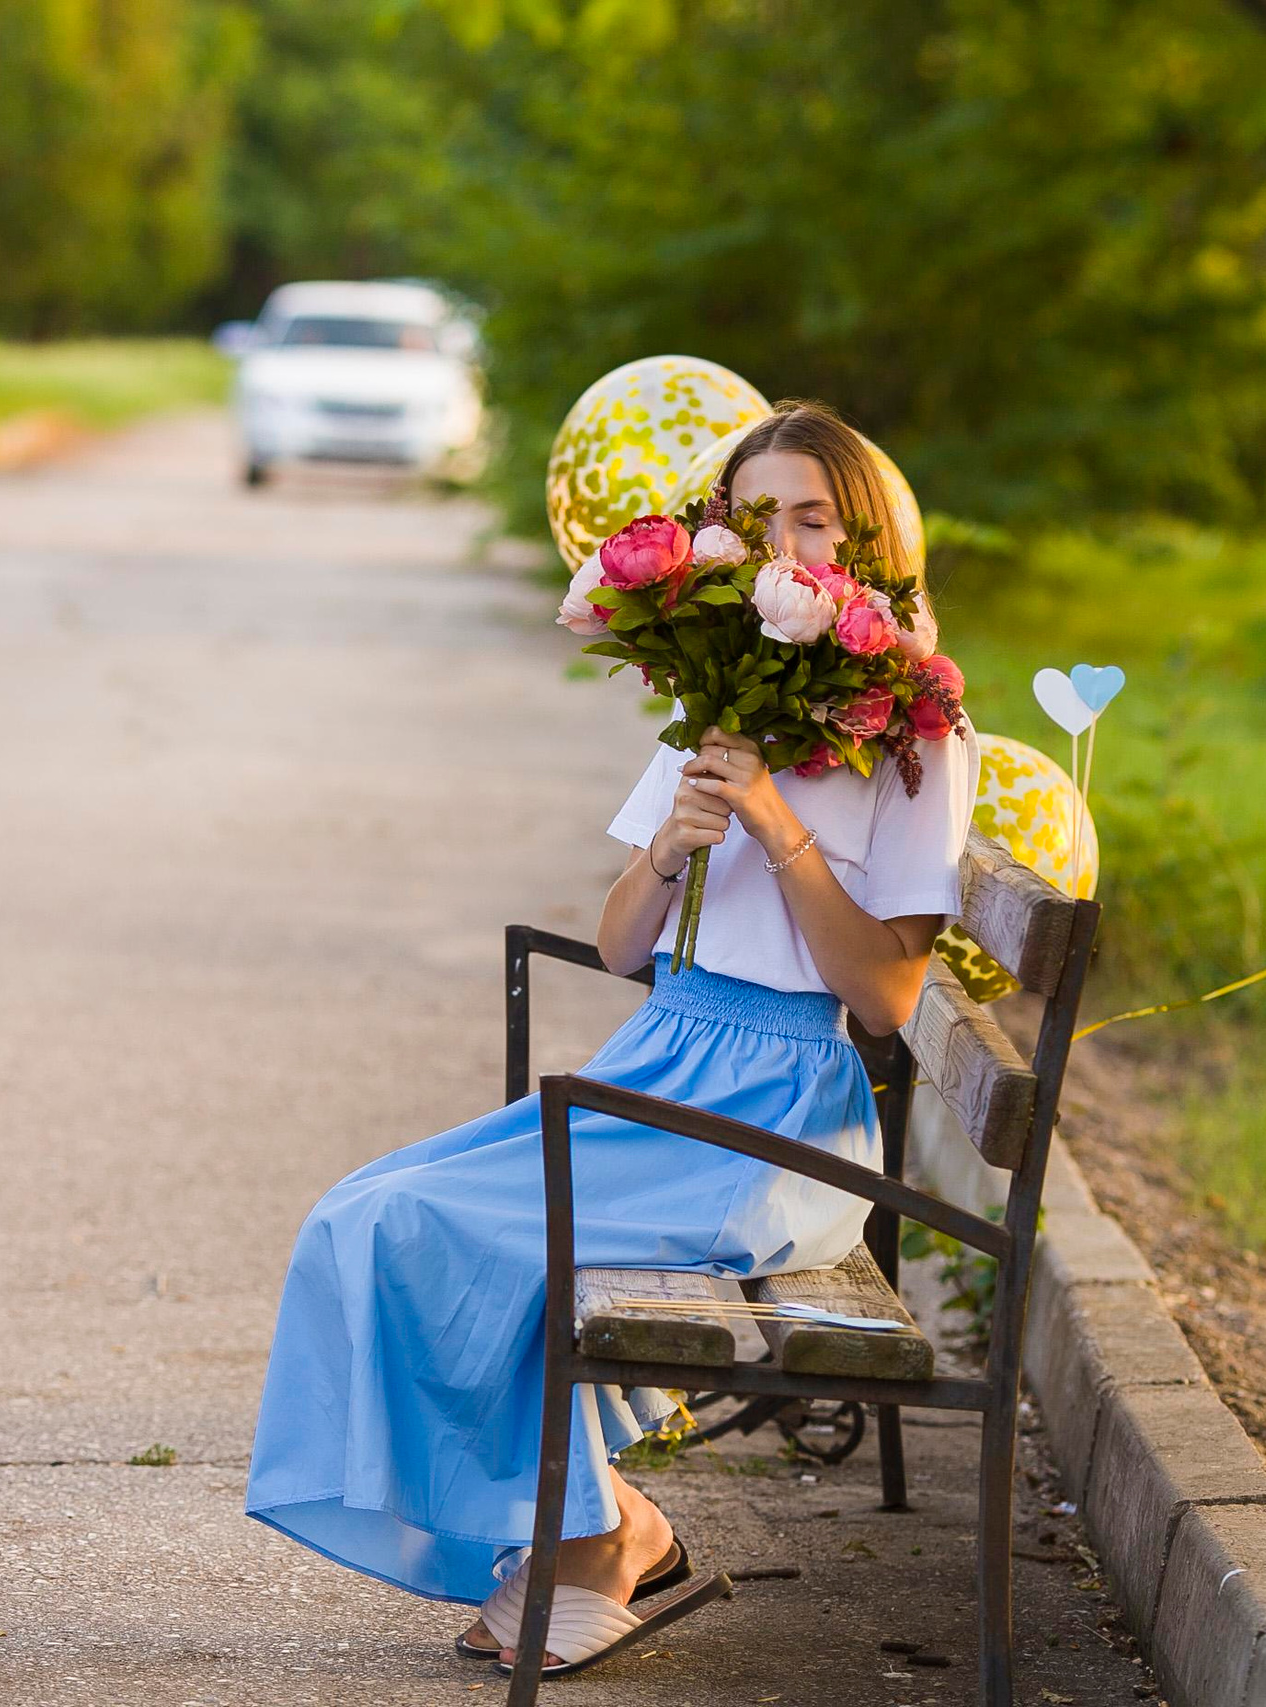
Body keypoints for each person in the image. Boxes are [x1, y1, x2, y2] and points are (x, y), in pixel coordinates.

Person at [243, 400, 980, 1678]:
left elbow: (887, 1000)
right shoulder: (720, 695)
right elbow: (629, 945)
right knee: (363, 1212)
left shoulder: (917, 743)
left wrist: (775, 825)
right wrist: (673, 841)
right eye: (756, 520)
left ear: (864, 544)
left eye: (813, 516)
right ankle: (612, 1521)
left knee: (470, 1234)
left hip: (779, 1115)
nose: (785, 542)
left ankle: (588, 1544)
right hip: (663, 1067)